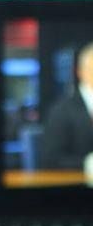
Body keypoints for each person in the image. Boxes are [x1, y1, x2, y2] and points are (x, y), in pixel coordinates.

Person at [40, 43, 93, 171]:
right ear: (80, 72)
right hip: (78, 180)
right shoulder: (61, 111)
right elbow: (51, 159)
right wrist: (88, 164)